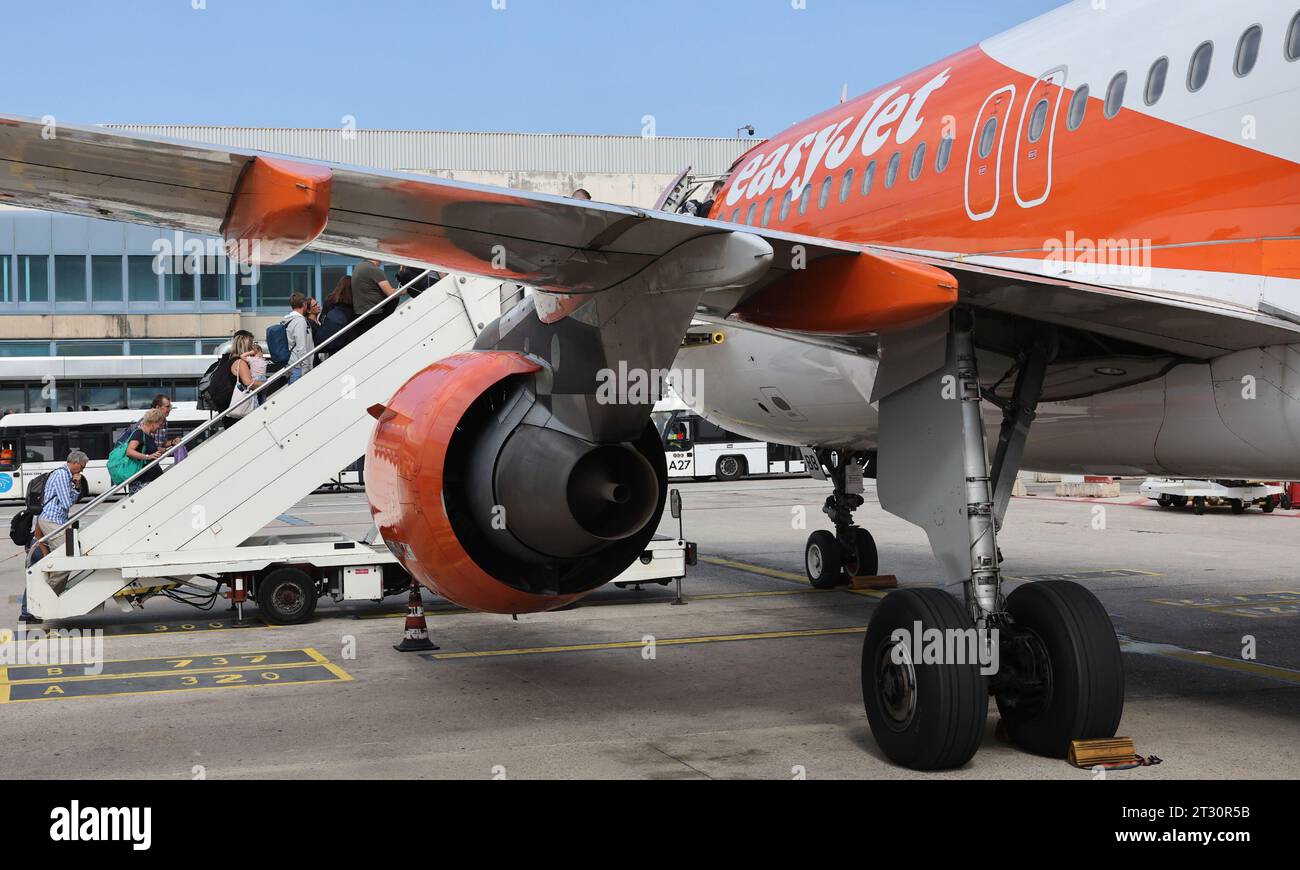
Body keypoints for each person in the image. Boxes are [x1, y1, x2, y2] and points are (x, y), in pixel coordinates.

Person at [20, 450, 90, 623]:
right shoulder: (61, 475)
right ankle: (44, 598)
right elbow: (67, 502)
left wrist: (76, 486)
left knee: (55, 563)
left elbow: (69, 500)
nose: (82, 470)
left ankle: (36, 604)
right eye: (82, 467)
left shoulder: (66, 476)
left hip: (55, 521)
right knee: (66, 560)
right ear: (74, 462)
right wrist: (75, 485)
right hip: (52, 521)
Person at [315, 276, 359, 360]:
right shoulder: (356, 301)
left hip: (335, 340)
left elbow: (322, 318)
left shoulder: (330, 300)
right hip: (352, 341)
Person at [124, 409, 167, 494]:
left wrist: (159, 450)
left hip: (150, 479)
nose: (160, 427)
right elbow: (129, 451)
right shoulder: (139, 433)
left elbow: (146, 449)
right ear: (153, 422)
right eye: (160, 424)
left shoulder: (148, 435)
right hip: (143, 481)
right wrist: (148, 457)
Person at [281, 292, 320, 384]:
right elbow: (301, 346)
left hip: (293, 365)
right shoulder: (299, 321)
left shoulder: (290, 320)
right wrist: (306, 368)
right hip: (299, 368)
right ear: (304, 304)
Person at [226, 332, 261, 421]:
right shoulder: (240, 362)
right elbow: (248, 383)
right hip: (240, 410)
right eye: (251, 343)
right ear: (245, 345)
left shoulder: (229, 361)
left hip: (230, 407)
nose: (252, 347)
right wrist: (266, 383)